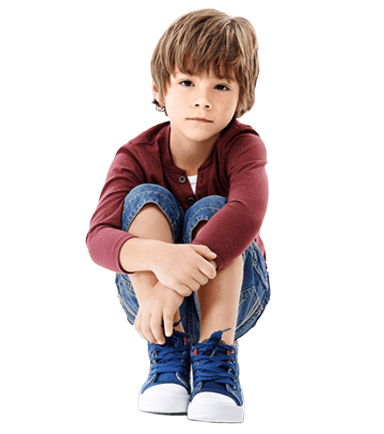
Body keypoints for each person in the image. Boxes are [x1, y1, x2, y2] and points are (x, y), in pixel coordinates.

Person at [86, 8, 270, 423]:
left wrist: (175, 287)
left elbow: (248, 212)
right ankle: (167, 357)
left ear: (242, 97)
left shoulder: (244, 146)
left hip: (234, 298)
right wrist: (160, 262)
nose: (202, 99)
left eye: (220, 85)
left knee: (214, 209)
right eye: (187, 81)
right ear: (159, 88)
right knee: (143, 196)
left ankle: (217, 363)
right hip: (150, 306)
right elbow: (98, 237)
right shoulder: (134, 155)